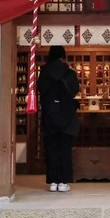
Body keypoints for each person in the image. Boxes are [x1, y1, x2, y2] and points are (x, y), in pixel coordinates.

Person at [37, 45, 80, 192]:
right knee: (64, 150)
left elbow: (40, 89)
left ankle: (53, 182)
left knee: (51, 149)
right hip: (66, 116)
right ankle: (63, 183)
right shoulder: (69, 73)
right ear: (63, 56)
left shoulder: (44, 72)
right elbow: (74, 91)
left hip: (49, 115)